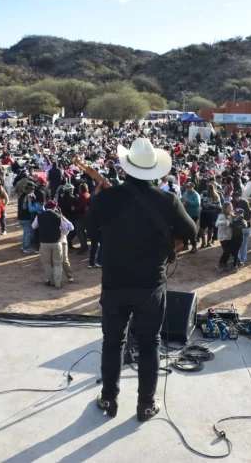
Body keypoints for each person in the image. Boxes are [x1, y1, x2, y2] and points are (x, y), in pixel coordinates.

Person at [87, 137, 196, 422]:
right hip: (151, 284)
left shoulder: (106, 198)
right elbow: (192, 230)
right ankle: (146, 406)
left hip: (114, 283)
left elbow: (87, 232)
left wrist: (99, 201)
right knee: (150, 343)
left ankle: (109, 401)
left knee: (112, 342)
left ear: (125, 168)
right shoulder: (167, 199)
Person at [32, 200, 66, 288]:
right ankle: (57, 283)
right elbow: (65, 229)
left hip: (44, 242)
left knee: (47, 263)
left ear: (46, 207)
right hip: (56, 242)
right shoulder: (59, 216)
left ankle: (51, 281)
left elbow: (33, 226)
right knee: (57, 263)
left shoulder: (39, 216)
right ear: (54, 207)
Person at [216, 203, 247, 272]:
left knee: (231, 251)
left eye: (231, 207)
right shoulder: (221, 215)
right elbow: (216, 224)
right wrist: (223, 222)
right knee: (227, 251)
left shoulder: (232, 215)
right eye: (229, 207)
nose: (230, 208)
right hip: (223, 236)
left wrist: (243, 223)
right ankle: (221, 264)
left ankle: (229, 263)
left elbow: (240, 221)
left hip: (230, 237)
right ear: (225, 208)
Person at [231, 191, 251, 265]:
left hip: (240, 228)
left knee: (238, 245)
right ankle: (242, 260)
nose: (237, 198)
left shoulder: (233, 203)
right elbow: (250, 213)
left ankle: (239, 261)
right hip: (247, 226)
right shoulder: (245, 202)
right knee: (244, 245)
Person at [198, 182, 221, 248]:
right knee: (210, 228)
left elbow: (200, 202)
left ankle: (203, 242)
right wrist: (211, 206)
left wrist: (205, 205)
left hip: (205, 213)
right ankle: (208, 242)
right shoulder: (216, 195)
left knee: (202, 228)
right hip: (211, 213)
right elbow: (218, 206)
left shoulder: (204, 193)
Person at [181, 182, 201, 252]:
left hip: (194, 215)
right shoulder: (185, 193)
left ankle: (194, 246)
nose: (188, 189)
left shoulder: (196, 194)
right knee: (184, 229)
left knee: (192, 230)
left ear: (192, 187)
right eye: (187, 187)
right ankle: (185, 244)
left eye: (189, 187)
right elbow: (182, 200)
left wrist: (188, 201)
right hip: (186, 214)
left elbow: (197, 203)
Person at [73, 183, 91, 254]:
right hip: (85, 216)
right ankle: (85, 246)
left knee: (79, 232)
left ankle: (83, 247)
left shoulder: (82, 196)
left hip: (81, 216)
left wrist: (75, 208)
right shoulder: (88, 194)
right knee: (82, 232)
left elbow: (83, 206)